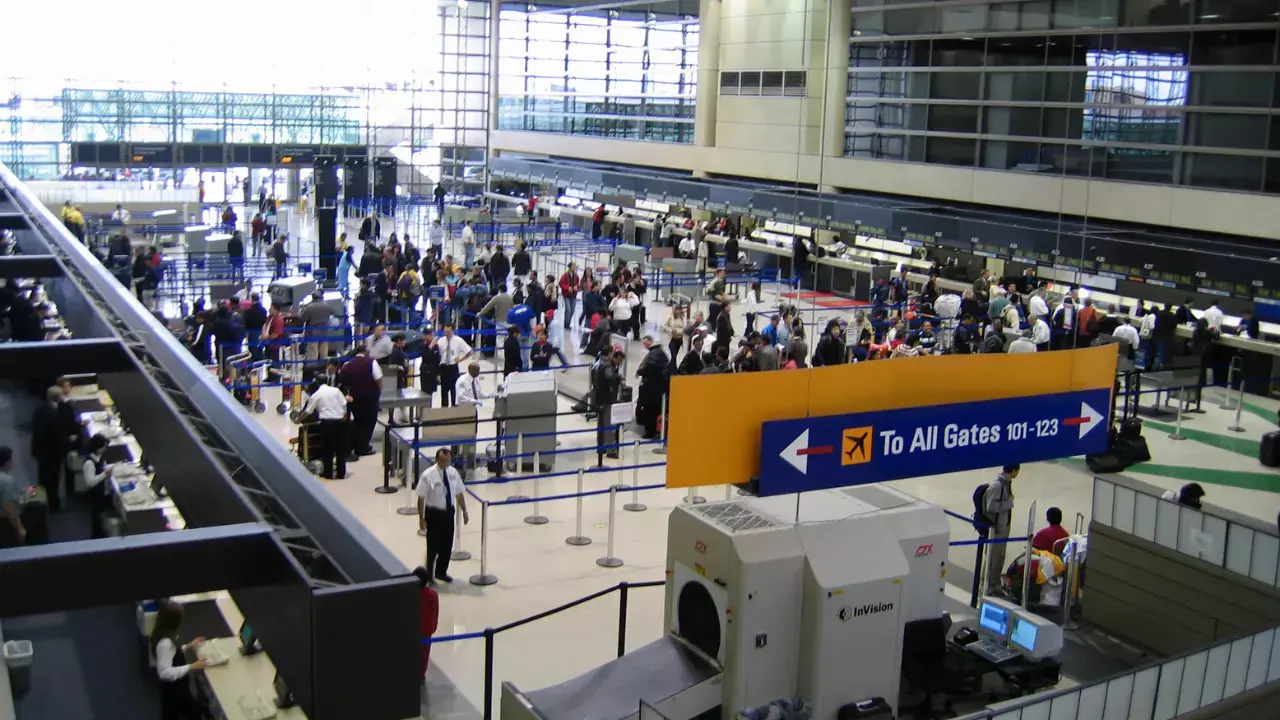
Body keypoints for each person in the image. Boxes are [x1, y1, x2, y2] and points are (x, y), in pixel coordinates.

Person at [416, 448, 470, 584]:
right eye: (443, 460)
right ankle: (428, 575)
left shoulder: (453, 473)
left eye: (448, 460)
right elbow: (421, 497)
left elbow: (459, 493)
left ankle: (441, 572)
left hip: (448, 513)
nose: (446, 463)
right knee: (432, 546)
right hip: (434, 513)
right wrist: (421, 518)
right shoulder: (428, 475)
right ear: (437, 460)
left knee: (447, 545)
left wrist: (464, 511)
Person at [150, 601, 209, 720]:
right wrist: (191, 666)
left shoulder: (160, 634)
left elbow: (169, 654)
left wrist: (188, 646)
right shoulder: (165, 643)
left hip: (174, 689)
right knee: (192, 713)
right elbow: (164, 673)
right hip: (174, 689)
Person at [302, 373, 351, 479]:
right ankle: (341, 473)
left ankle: (328, 473)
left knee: (327, 448)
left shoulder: (317, 394)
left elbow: (308, 411)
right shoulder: (336, 390)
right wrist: (344, 416)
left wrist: (298, 419)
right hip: (340, 422)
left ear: (317, 382)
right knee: (340, 449)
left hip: (327, 423)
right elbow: (344, 403)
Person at [338, 348, 383, 457]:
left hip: (354, 398)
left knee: (358, 421)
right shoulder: (371, 362)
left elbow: (343, 379)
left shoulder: (347, 365)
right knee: (369, 422)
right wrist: (379, 391)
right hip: (370, 397)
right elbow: (379, 378)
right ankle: (363, 447)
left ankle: (354, 445)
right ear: (365, 353)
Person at [31, 386, 69, 512]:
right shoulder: (53, 414)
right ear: (58, 398)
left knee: (43, 477)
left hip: (40, 450)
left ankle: (42, 501)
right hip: (52, 453)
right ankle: (54, 506)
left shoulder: (40, 409)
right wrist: (69, 440)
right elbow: (56, 436)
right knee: (53, 479)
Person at [982, 464, 1018, 594]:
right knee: (993, 557)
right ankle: (988, 585)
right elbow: (990, 507)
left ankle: (995, 582)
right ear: (1013, 470)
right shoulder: (997, 486)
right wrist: (1008, 503)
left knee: (1000, 557)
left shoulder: (1007, 483)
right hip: (996, 528)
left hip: (1004, 526)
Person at [81, 434, 116, 537]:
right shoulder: (89, 463)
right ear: (98, 447)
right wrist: (105, 474)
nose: (105, 449)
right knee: (97, 523)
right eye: (103, 446)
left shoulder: (98, 458)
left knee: (101, 520)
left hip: (101, 494)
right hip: (95, 496)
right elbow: (90, 482)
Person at [636, 336, 670, 439]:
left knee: (649, 410)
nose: (644, 345)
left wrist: (640, 372)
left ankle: (649, 432)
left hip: (652, 388)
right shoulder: (662, 353)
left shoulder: (653, 355)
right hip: (661, 387)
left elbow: (648, 368)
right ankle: (656, 429)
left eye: (645, 343)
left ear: (651, 342)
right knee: (657, 409)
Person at [593, 349, 625, 458]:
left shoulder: (598, 364)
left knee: (601, 423)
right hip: (606, 399)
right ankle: (610, 449)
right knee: (609, 424)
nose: (620, 364)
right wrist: (618, 378)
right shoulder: (608, 366)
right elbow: (610, 377)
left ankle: (601, 447)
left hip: (599, 397)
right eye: (620, 361)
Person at [437, 324, 473, 407]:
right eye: (445, 331)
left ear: (452, 331)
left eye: (448, 332)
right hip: (443, 367)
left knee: (454, 390)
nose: (446, 333)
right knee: (444, 391)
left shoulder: (458, 340)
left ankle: (454, 408)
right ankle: (444, 409)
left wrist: (460, 360)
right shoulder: (440, 341)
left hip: (453, 367)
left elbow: (470, 352)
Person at [0, 448, 25, 548]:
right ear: (7, 462)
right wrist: (20, 528)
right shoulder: (7, 481)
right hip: (4, 526)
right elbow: (9, 508)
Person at [300, 292, 336, 361]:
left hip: (312, 333)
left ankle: (313, 367)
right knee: (324, 351)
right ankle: (324, 366)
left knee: (313, 352)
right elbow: (331, 314)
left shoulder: (309, 307)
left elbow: (303, 318)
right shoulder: (326, 305)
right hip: (324, 331)